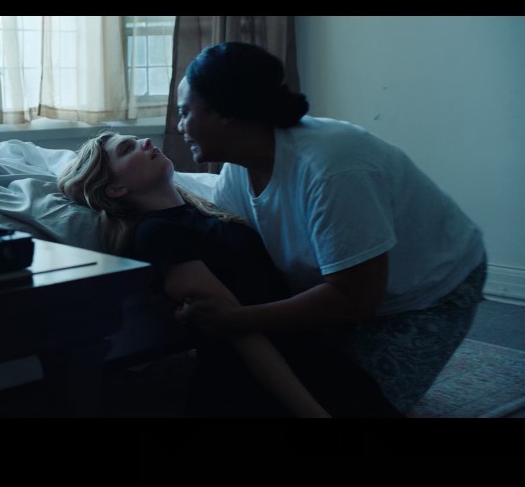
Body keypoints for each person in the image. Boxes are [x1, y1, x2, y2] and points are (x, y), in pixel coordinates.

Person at [172, 41, 487, 415]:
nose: (180, 126)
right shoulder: (236, 173)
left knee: (351, 402)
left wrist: (238, 320)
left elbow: (356, 299)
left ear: (226, 111)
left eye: (185, 112)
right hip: (339, 290)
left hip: (428, 292)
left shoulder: (334, 168)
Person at [57, 130, 401, 417]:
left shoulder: (210, 212)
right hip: (257, 377)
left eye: (136, 140)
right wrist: (311, 411)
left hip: (309, 353)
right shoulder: (156, 233)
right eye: (127, 149)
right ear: (116, 189)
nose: (146, 142)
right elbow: (238, 331)